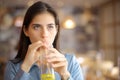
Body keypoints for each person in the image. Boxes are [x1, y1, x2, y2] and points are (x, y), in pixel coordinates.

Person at [4, 1, 84, 80]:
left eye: (50, 27)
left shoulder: (70, 62)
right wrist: (26, 66)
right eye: (37, 27)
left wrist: (65, 75)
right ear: (26, 31)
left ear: (56, 29)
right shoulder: (13, 67)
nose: (44, 34)